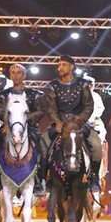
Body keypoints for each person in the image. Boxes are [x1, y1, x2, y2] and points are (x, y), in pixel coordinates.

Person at [41, 55, 102, 192]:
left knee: (97, 145)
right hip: (59, 124)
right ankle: (42, 179)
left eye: (63, 65)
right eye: (59, 65)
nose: (59, 68)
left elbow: (88, 106)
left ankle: (94, 178)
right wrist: (57, 122)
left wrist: (79, 120)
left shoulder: (83, 84)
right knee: (42, 143)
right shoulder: (52, 86)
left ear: (72, 67)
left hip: (79, 124)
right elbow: (50, 107)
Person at [0, 64, 46, 195]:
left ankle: (39, 180)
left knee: (43, 148)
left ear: (24, 75)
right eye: (13, 72)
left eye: (19, 73)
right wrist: (7, 121)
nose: (16, 75)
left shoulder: (34, 94)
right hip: (8, 126)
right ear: (10, 75)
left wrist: (25, 119)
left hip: (29, 128)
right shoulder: (3, 95)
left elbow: (40, 111)